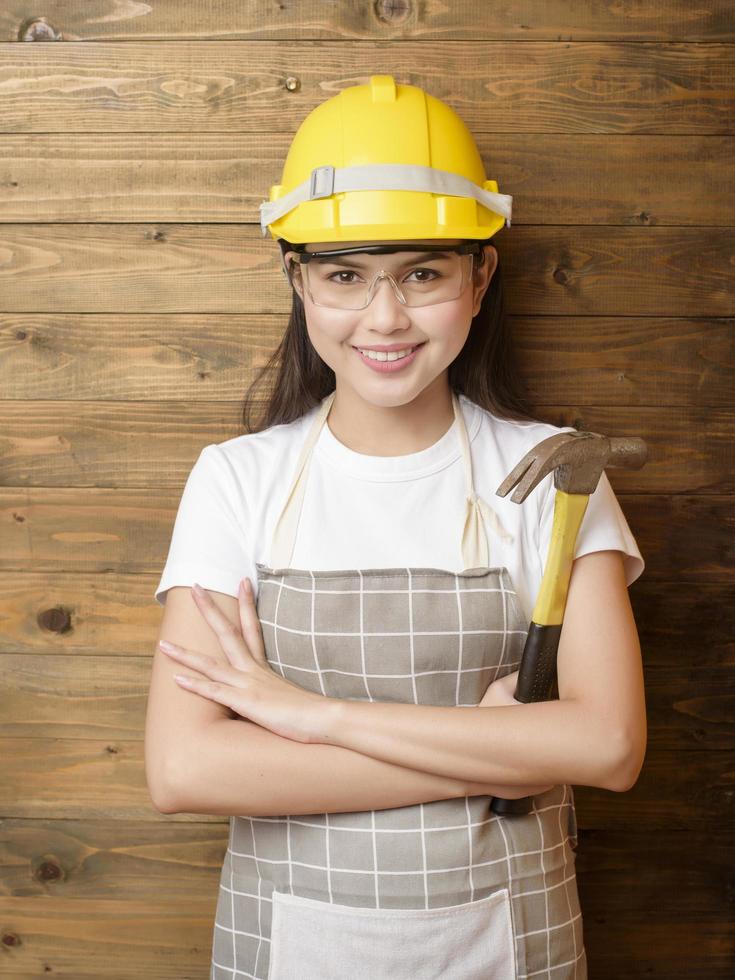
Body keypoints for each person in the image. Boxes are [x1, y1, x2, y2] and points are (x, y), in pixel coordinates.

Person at [145, 75, 646, 980]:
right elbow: (186, 770)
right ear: (296, 278)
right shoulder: (238, 481)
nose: (384, 318)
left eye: (422, 274)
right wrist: (496, 757)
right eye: (344, 276)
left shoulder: (558, 481)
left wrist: (309, 718)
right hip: (289, 944)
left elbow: (606, 747)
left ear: (480, 274)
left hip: (511, 941)